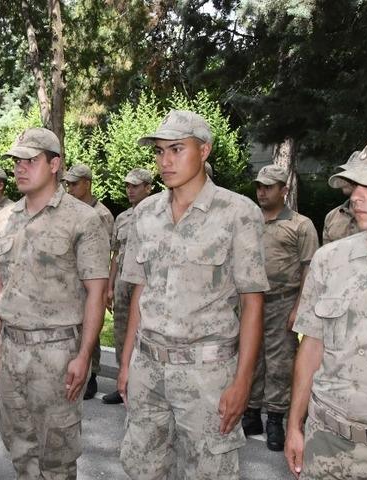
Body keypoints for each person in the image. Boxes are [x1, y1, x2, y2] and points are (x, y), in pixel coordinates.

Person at [117, 110, 269, 479]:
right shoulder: (146, 214)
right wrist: (126, 363)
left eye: (176, 149)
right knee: (144, 469)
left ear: (204, 151)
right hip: (148, 368)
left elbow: (253, 302)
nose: (164, 161)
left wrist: (242, 381)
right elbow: (141, 289)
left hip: (207, 374)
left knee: (210, 473)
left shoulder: (238, 213)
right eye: (159, 152)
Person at [0, 128, 109, 479]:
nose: (21, 168)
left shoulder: (83, 219)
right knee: (19, 447)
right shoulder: (4, 219)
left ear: (54, 164)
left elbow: (96, 293)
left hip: (57, 353)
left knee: (57, 457)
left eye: (31, 161)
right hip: (11, 349)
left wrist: (84, 355)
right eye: (17, 162)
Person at [285, 143, 367, 479]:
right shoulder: (330, 260)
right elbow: (311, 347)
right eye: (356, 185)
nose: (356, 196)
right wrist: (295, 425)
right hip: (327, 442)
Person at [244, 165, 318, 452]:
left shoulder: (300, 225)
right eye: (259, 186)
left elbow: (309, 268)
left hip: (283, 301)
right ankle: (251, 414)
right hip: (252, 301)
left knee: (280, 362)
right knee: (251, 357)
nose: (262, 192)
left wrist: (299, 307)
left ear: (284, 190)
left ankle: (275, 418)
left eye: (268, 187)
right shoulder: (250, 220)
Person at [101, 168, 154, 405]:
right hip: (123, 283)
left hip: (146, 284)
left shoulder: (156, 215)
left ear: (148, 187)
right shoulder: (122, 218)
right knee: (122, 333)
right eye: (128, 186)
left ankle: (145, 387)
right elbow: (115, 255)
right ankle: (124, 384)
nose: (130, 190)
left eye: (135, 186)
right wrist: (110, 287)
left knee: (146, 335)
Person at [63, 163, 114, 399]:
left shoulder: (100, 215)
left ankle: (92, 373)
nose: (70, 188)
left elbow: (101, 256)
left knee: (89, 327)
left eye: (74, 183)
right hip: (70, 282)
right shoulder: (69, 211)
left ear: (87, 183)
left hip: (90, 280)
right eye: (67, 184)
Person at [323, 151, 362, 244]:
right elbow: (327, 255)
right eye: (346, 173)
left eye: (353, 174)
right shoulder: (332, 216)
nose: (345, 179)